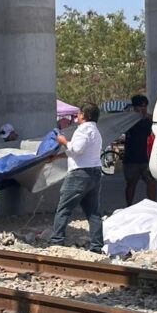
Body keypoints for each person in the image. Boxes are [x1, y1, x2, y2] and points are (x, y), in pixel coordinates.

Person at [48, 102, 104, 252]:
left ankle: (56, 241)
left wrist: (63, 141)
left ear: (84, 115)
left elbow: (77, 149)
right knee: (93, 213)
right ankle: (97, 246)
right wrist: (57, 157)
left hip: (79, 174)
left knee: (64, 208)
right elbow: (78, 152)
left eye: (79, 114)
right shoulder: (96, 132)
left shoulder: (83, 130)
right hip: (94, 173)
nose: (77, 117)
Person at [123, 95, 156, 206]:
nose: (143, 109)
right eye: (140, 107)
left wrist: (148, 117)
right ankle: (129, 206)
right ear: (134, 107)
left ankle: (153, 206)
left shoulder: (147, 120)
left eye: (145, 106)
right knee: (131, 183)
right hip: (131, 158)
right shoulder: (128, 121)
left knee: (151, 182)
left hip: (145, 158)